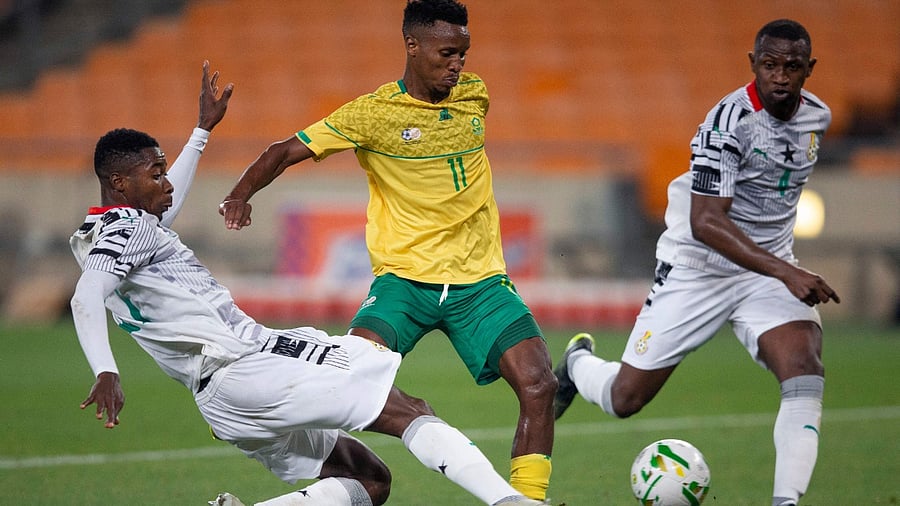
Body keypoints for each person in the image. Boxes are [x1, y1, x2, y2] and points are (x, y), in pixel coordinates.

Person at [69, 60, 542, 506]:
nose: (167, 183)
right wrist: (105, 370)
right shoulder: (126, 229)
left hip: (220, 399)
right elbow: (86, 296)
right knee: (408, 408)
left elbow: (165, 205)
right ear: (120, 184)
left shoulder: (124, 225)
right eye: (156, 174)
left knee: (368, 480)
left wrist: (201, 132)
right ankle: (508, 500)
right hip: (246, 367)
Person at [218, 0, 556, 500]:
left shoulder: (474, 95)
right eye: (447, 53)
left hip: (481, 283)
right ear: (412, 46)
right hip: (403, 284)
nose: (457, 65)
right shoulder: (371, 115)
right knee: (341, 382)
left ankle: (529, 501)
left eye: (463, 53)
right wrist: (240, 195)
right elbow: (283, 152)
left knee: (539, 385)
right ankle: (254, 415)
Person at [552, 19, 840, 506]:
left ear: (809, 69)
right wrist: (788, 271)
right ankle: (578, 363)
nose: (781, 77)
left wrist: (779, 265)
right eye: (770, 65)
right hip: (698, 267)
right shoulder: (726, 123)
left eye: (793, 66)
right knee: (625, 399)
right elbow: (706, 221)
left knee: (804, 368)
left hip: (766, 272)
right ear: (753, 65)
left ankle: (786, 501)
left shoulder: (818, 117)